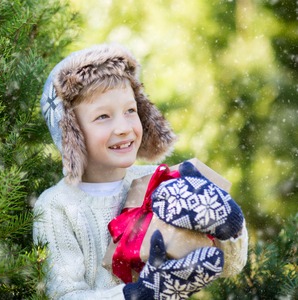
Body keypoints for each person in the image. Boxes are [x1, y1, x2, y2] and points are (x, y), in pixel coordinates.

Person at [33, 44, 248, 299]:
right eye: (103, 116)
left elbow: (228, 265)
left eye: (130, 111)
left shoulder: (159, 181)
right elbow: (63, 295)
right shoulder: (57, 206)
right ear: (72, 133)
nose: (124, 127)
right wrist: (139, 293)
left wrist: (229, 226)